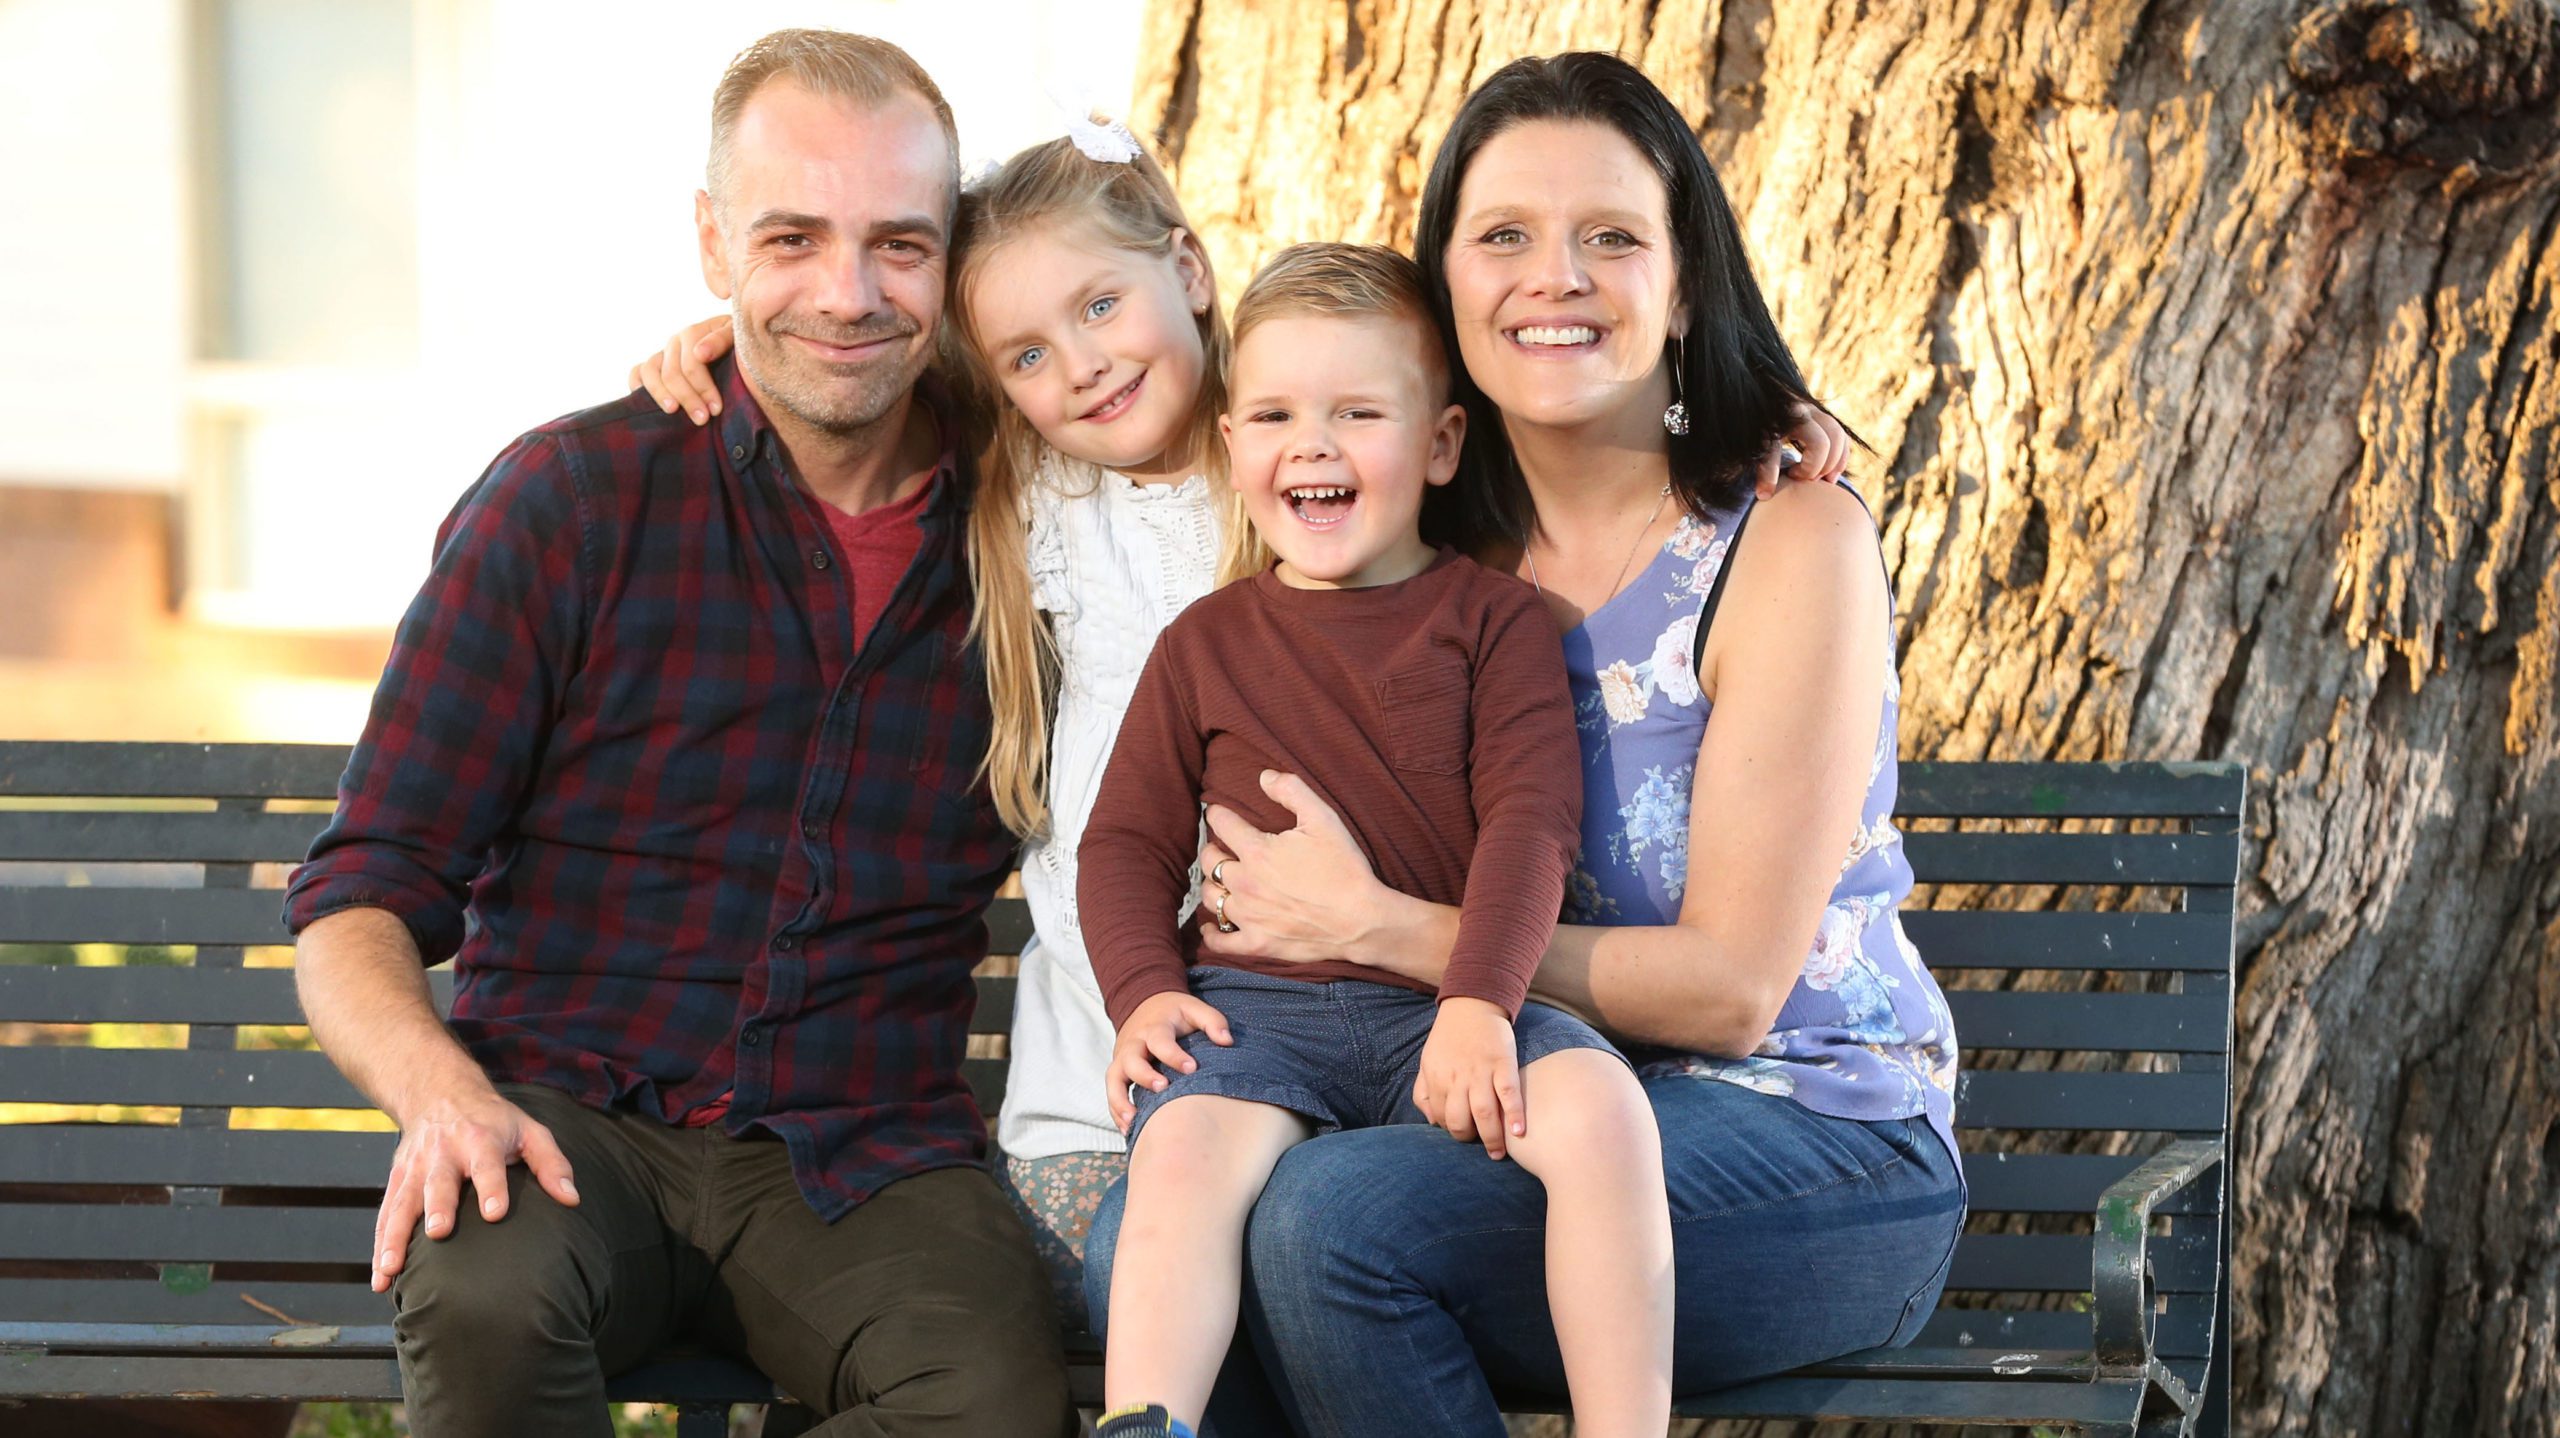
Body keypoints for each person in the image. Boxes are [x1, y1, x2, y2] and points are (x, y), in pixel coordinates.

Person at [1078, 52, 1968, 1436]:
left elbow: (1735, 990)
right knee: (1152, 1233)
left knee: (1332, 1225)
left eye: (1612, 238)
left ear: (1684, 285)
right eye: (1504, 237)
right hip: (1511, 1089)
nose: (1555, 275)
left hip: (1813, 1136)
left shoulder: (1787, 538)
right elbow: (1127, 386)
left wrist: (1376, 927)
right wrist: (747, 366)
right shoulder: (1423, 558)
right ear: (1445, 293)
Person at [283, 30, 1071, 1438]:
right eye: (791, 238)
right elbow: (361, 891)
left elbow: (1234, 396)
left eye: (900, 244)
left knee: (995, 1403)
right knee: (482, 1294)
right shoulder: (575, 499)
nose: (846, 293)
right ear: (712, 246)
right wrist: (442, 1095)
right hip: (572, 1119)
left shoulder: (1046, 523)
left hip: (863, 1150)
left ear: (953, 263)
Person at [1076, 243, 1672, 1438]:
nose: (1314, 443)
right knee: (1180, 1164)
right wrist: (1142, 992)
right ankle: (1147, 1425)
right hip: (1259, 1008)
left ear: (1441, 444)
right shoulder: (1205, 641)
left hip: (1441, 1003)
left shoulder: (1491, 619)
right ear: (1234, 442)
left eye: (1358, 412)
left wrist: (1479, 1001)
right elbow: (1123, 845)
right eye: (1277, 413)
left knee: (1606, 1117)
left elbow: (1529, 821)